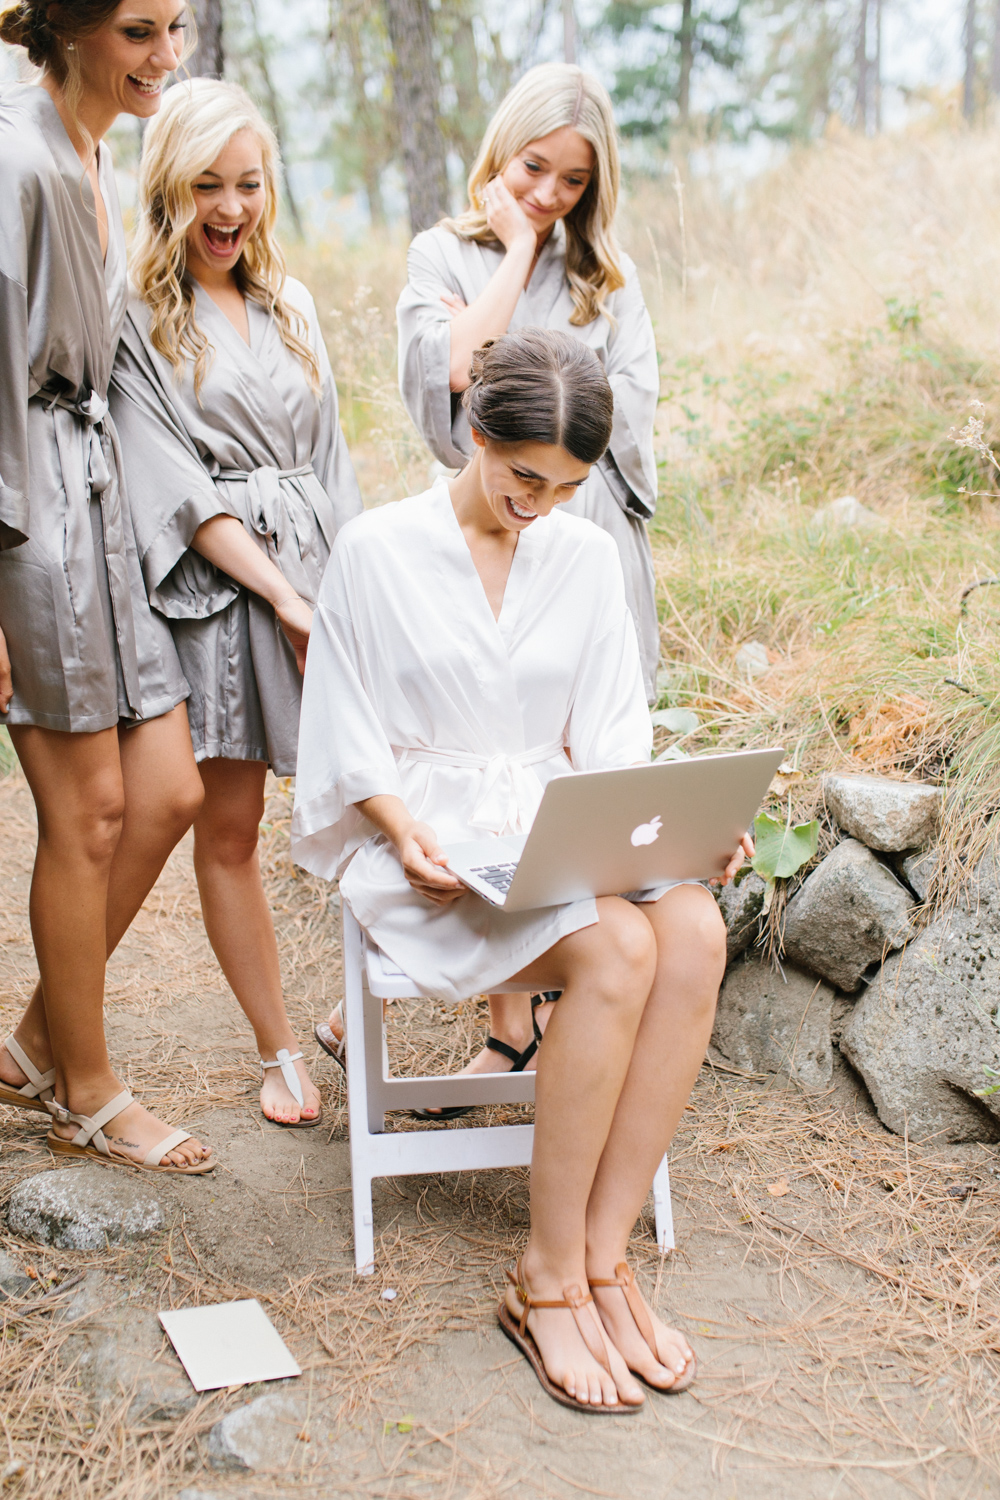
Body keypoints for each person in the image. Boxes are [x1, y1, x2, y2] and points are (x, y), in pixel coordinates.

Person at [292, 329, 750, 1411]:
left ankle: (601, 1260)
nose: (538, 503)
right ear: (472, 434)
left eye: (567, 485)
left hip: (556, 829)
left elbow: (613, 739)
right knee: (620, 947)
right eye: (522, 476)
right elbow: (345, 725)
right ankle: (543, 1281)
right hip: (433, 848)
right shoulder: (375, 547)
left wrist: (675, 835)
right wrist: (400, 829)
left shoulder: (585, 556)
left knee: (692, 928)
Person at [389, 62, 663, 1085]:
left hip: (587, 539)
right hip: (484, 545)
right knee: (495, 747)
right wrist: (513, 249)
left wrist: (561, 452)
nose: (549, 194)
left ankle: (566, 1003)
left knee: (575, 754)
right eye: (534, 167)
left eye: (572, 183)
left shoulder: (613, 281)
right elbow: (453, 377)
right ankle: (510, 1022)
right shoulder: (442, 253)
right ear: (502, 149)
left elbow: (626, 410)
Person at [109, 78, 362, 1126]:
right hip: (220, 600)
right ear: (169, 188)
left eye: (248, 184)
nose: (229, 208)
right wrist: (281, 598)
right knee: (227, 826)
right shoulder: (137, 320)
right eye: (205, 184)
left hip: (315, 585)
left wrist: (345, 594)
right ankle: (278, 1050)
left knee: (361, 801)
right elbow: (176, 492)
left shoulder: (289, 306)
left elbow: (334, 466)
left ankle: (369, 1013)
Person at [0, 0, 214, 1174]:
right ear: (73, 29)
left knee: (169, 790)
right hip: (26, 513)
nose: (166, 57)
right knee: (83, 816)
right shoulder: (16, 157)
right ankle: (86, 1086)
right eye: (139, 31)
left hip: (99, 500)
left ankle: (35, 1039)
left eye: (175, 26)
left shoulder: (91, 147)